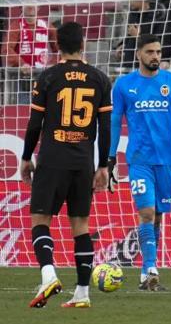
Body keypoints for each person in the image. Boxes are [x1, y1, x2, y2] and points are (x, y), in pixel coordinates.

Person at [21, 21, 111, 309]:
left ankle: (49, 275)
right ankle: (82, 293)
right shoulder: (99, 78)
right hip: (83, 161)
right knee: (81, 225)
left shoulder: (48, 77)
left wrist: (26, 157)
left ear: (56, 46)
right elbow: (106, 127)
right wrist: (103, 165)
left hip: (52, 158)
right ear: (83, 44)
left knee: (40, 220)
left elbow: (36, 123)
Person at [107, 34, 171, 291]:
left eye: (159, 52)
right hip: (139, 161)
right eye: (150, 52)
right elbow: (115, 122)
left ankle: (144, 274)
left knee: (158, 217)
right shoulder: (123, 85)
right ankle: (152, 268)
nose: (155, 57)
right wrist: (110, 158)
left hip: (166, 161)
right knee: (147, 213)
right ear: (139, 54)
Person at [3, 5, 58, 103]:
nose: (30, 6)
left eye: (33, 3)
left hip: (43, 76)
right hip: (21, 76)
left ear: (39, 7)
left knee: (44, 105)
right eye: (27, 3)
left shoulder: (47, 26)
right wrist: (21, 63)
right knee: (23, 108)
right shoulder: (16, 26)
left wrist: (53, 63)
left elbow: (60, 48)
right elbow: (6, 49)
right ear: (21, 8)